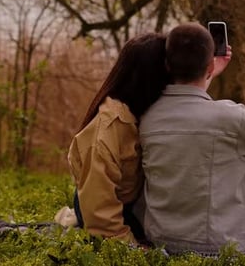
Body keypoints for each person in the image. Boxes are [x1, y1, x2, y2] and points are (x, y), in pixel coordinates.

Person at [136, 23, 245, 262]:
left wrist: (207, 73)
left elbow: (192, 113)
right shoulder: (230, 117)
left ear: (167, 65)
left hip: (164, 238)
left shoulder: (147, 117)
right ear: (210, 65)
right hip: (220, 243)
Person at [64, 33, 170, 247]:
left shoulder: (140, 111)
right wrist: (131, 246)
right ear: (153, 77)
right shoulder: (106, 132)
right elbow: (100, 212)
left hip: (128, 204)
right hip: (106, 209)